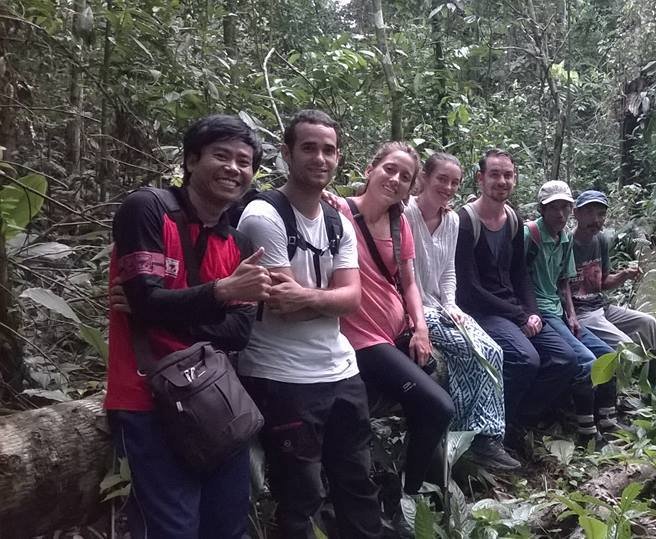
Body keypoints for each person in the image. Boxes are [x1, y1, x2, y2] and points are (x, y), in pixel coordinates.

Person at [105, 115, 271, 538]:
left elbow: (238, 333)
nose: (234, 168)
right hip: (149, 397)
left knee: (227, 524)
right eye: (222, 155)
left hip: (218, 399)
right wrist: (219, 294)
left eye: (244, 161)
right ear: (192, 160)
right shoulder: (148, 209)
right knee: (173, 527)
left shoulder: (239, 244)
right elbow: (146, 300)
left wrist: (161, 310)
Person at [236, 110, 382, 538]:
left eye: (329, 150)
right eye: (309, 148)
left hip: (341, 370)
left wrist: (313, 297)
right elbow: (285, 305)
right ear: (286, 153)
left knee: (358, 482)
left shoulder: (337, 221)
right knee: (299, 495)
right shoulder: (264, 216)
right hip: (281, 375)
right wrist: (329, 299)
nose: (320, 158)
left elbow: (352, 299)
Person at [337, 142, 455, 499]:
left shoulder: (398, 221)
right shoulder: (337, 212)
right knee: (439, 406)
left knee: (435, 377)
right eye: (390, 169)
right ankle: (411, 492)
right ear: (370, 169)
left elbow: (409, 281)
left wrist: (420, 328)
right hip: (362, 340)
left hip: (398, 331)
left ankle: (414, 479)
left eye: (405, 176)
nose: (395, 179)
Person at [454, 148, 578, 444]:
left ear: (515, 179)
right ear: (480, 179)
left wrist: (532, 312)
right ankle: (489, 432)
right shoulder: (465, 222)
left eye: (508, 175)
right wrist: (520, 315)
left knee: (566, 359)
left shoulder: (513, 219)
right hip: (481, 311)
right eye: (494, 174)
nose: (502, 181)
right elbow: (469, 289)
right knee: (526, 359)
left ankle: (518, 421)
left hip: (513, 308)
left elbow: (521, 274)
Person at [404, 152, 519, 470]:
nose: (448, 187)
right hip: (410, 307)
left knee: (493, 350)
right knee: (471, 350)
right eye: (442, 179)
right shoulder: (405, 214)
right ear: (424, 177)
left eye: (454, 182)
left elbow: (448, 274)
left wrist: (452, 305)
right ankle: (472, 437)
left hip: (441, 304)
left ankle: (485, 436)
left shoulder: (452, 220)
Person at [524, 180, 617, 443]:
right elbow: (515, 274)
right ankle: (587, 431)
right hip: (540, 312)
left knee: (608, 356)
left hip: (561, 312)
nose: (560, 214)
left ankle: (609, 421)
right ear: (542, 209)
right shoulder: (529, 234)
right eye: (554, 208)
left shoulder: (564, 238)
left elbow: (564, 280)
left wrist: (572, 314)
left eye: (565, 207)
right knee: (586, 362)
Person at [570, 190, 656, 393]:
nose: (596, 220)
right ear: (576, 213)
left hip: (601, 306)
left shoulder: (601, 240)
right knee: (626, 345)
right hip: (581, 313)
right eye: (589, 212)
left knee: (649, 323)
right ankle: (625, 391)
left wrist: (624, 275)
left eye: (601, 214)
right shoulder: (566, 244)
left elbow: (602, 282)